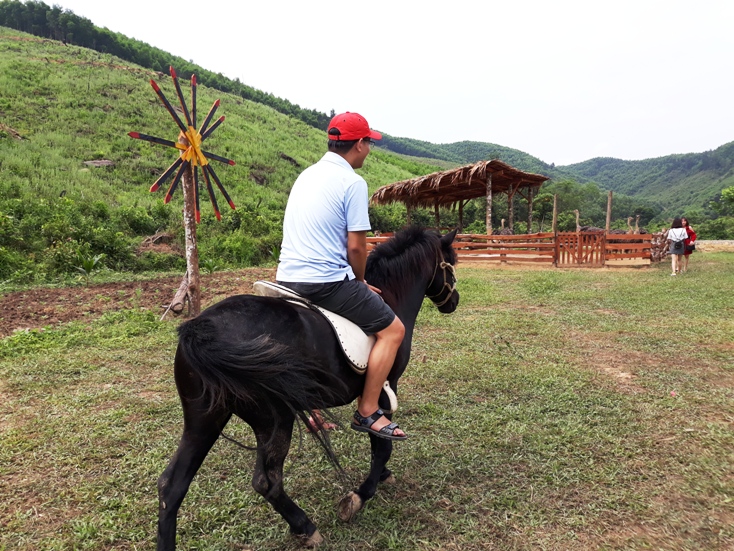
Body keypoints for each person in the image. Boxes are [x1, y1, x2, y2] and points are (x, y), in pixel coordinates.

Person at [276, 112, 407, 440]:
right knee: (393, 330)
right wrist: (360, 281)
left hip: (286, 277)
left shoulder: (306, 175)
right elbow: (356, 249)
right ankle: (367, 410)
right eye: (369, 143)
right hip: (325, 281)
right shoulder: (352, 182)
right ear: (360, 144)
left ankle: (313, 408)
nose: (370, 150)